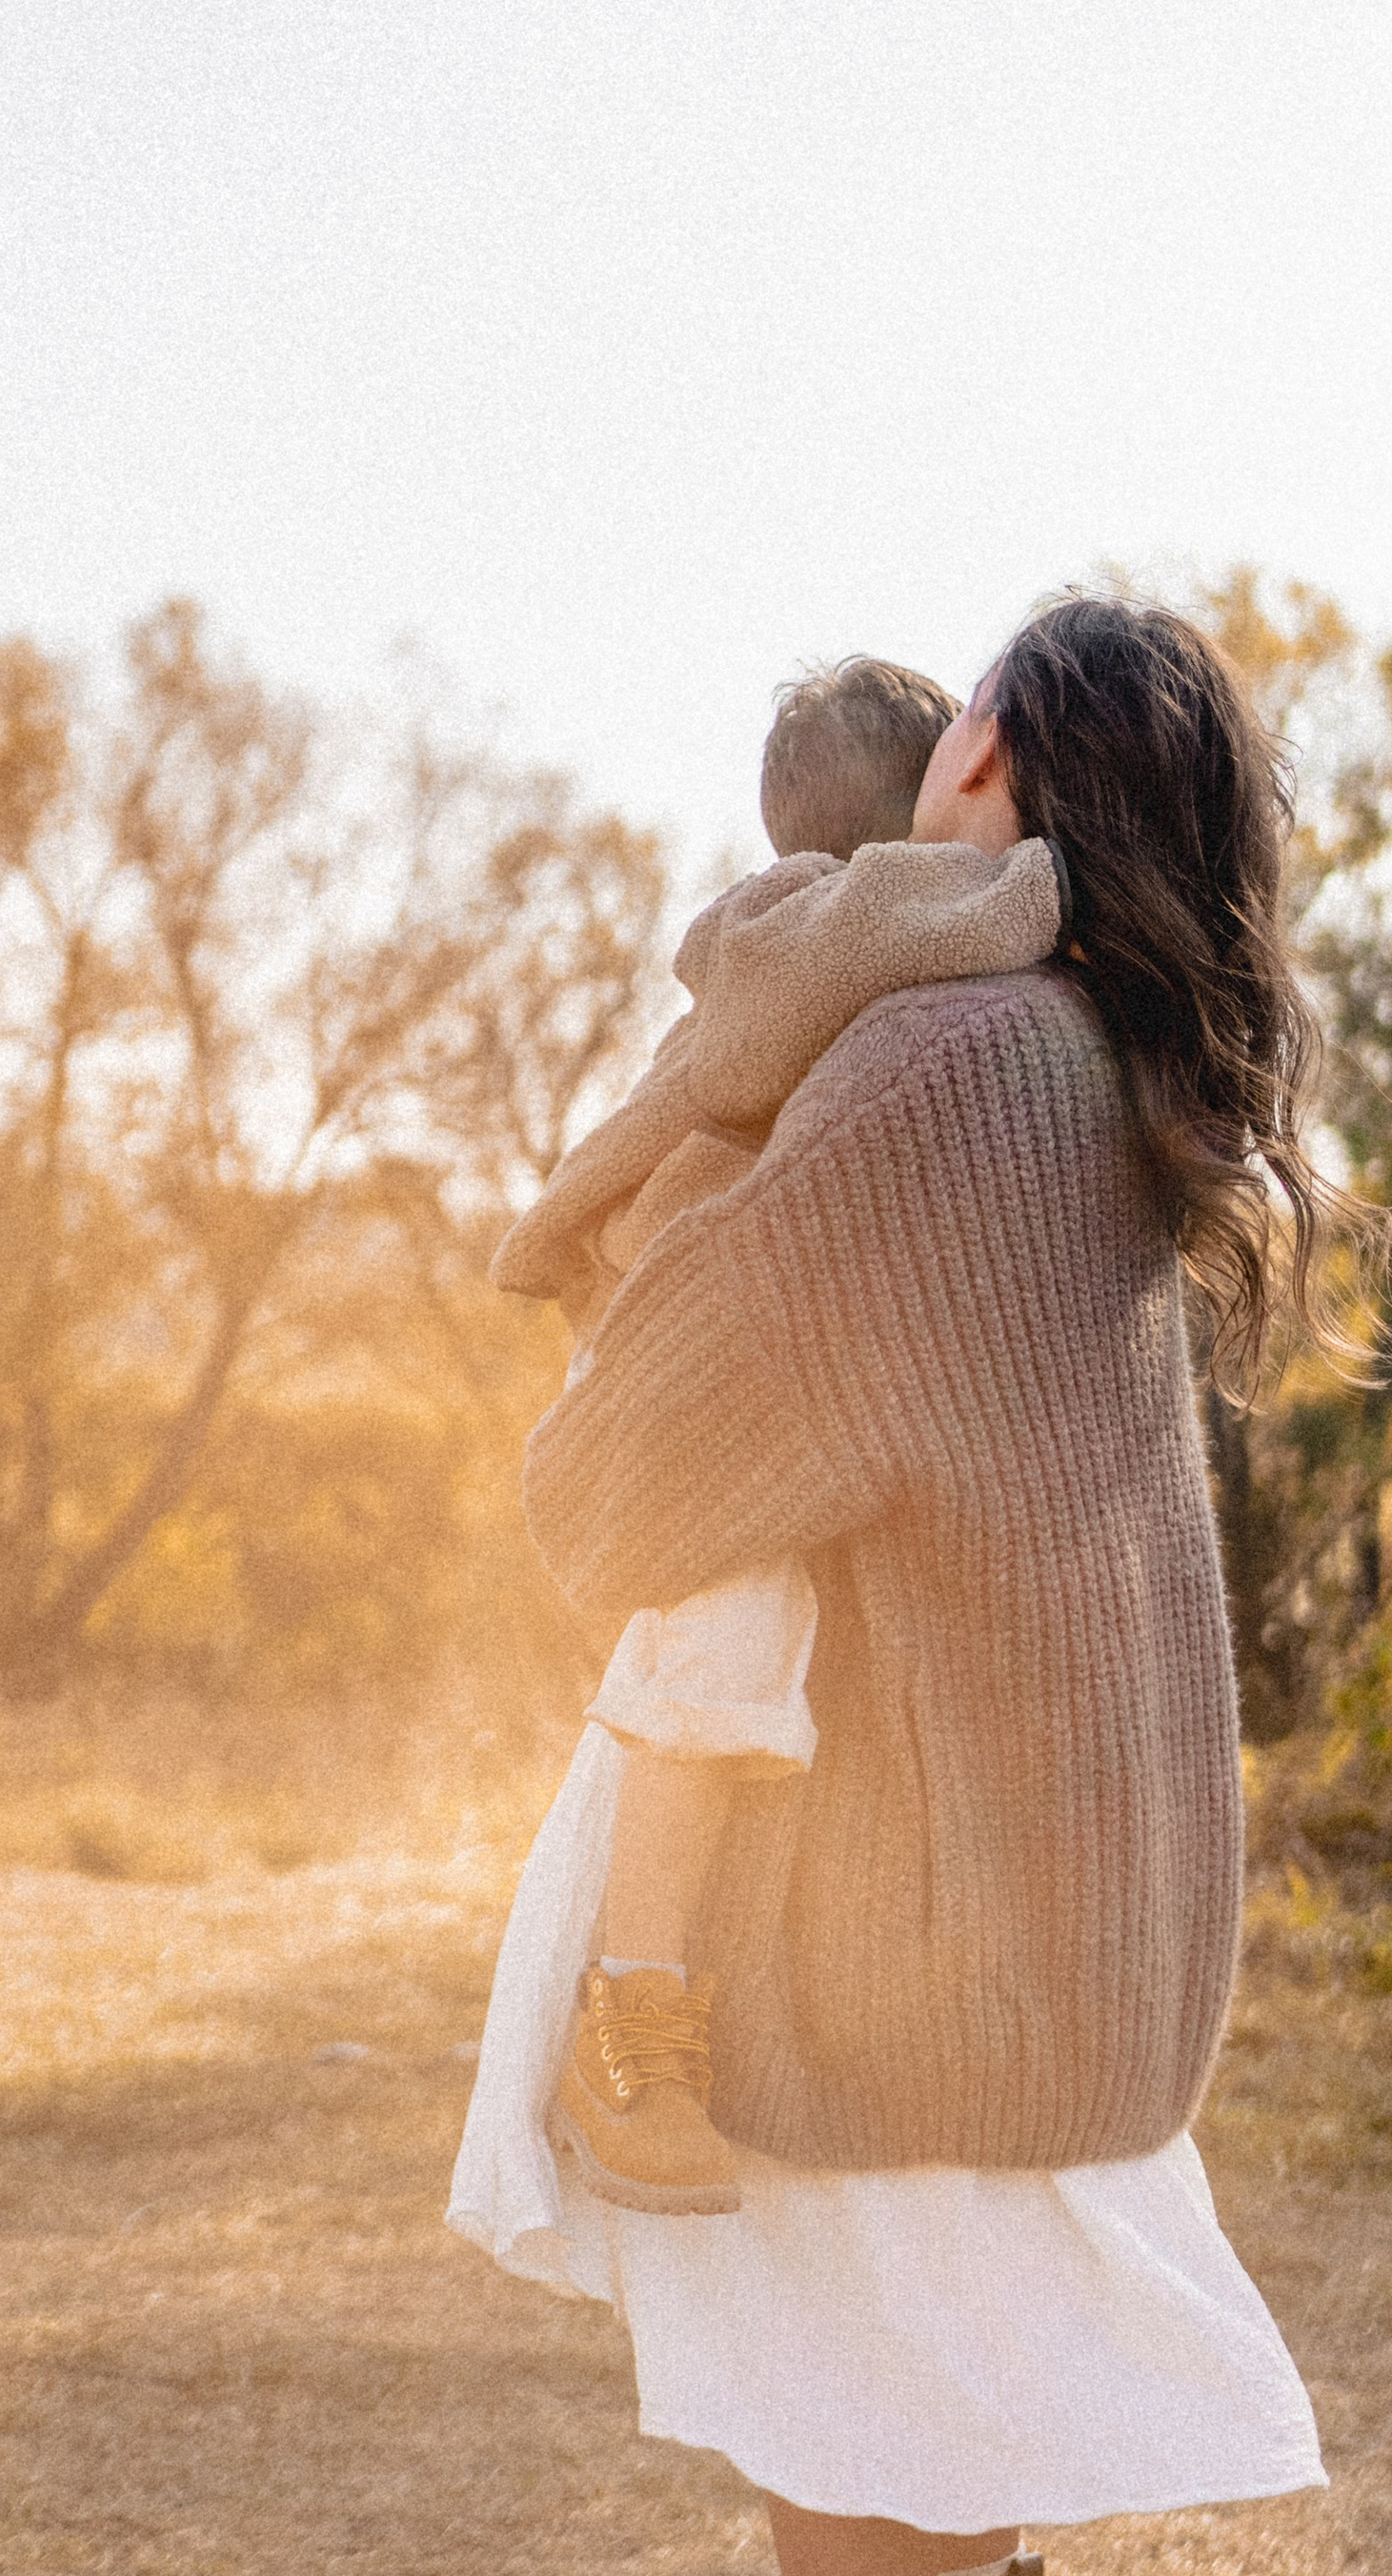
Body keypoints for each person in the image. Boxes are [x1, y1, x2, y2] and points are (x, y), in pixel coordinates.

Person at [451, 594, 1344, 2576]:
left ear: (1000, 776)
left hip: (895, 1825)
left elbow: (662, 1456)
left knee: (827, 2305)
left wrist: (658, 1252)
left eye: (967, 715)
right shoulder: (1108, 1060)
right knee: (950, 2286)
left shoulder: (949, 1051)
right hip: (1061, 1817)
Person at [500, 658, 1062, 2218]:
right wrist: (1069, 868)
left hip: (718, 1357)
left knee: (764, 1649)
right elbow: (1002, 911)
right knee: (721, 1643)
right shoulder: (837, 929)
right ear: (907, 830)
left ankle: (698, 1993)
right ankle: (630, 2026)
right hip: (681, 1373)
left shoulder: (814, 941)